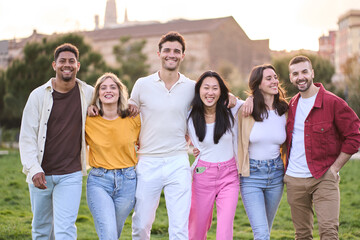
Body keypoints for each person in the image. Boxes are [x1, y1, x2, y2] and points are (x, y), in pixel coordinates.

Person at [19, 43, 94, 239]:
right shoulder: (37, 96)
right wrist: (34, 169)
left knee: (65, 229)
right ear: (54, 65)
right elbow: (27, 137)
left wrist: (131, 105)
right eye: (62, 61)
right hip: (41, 173)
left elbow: (114, 101)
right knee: (41, 229)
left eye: (71, 61)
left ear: (78, 65)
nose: (66, 65)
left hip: (71, 174)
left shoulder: (89, 93)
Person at [284, 55, 360, 239]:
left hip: (323, 177)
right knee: (302, 235)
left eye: (304, 72)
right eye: (295, 74)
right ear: (291, 77)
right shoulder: (291, 105)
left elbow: (354, 136)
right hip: (294, 179)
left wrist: (334, 169)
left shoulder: (333, 102)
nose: (300, 77)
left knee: (328, 233)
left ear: (312, 73)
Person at [187, 71, 243, 240]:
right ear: (199, 91)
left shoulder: (230, 112)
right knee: (196, 230)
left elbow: (250, 104)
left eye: (215, 88)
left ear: (221, 92)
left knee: (224, 232)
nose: (210, 93)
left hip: (229, 176)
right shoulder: (190, 117)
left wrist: (233, 97)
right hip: (202, 176)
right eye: (206, 88)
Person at [85, 72, 141, 240]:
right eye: (103, 88)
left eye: (112, 87)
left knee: (113, 234)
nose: (108, 91)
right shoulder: (88, 120)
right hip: (99, 181)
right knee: (108, 234)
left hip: (128, 181)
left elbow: (147, 144)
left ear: (119, 91)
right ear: (98, 94)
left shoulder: (133, 119)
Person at [237, 64, 288, 240]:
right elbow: (224, 99)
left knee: (266, 229)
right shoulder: (246, 110)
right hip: (251, 176)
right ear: (258, 84)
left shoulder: (285, 111)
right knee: (262, 233)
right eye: (269, 78)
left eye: (275, 77)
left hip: (276, 175)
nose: (274, 81)